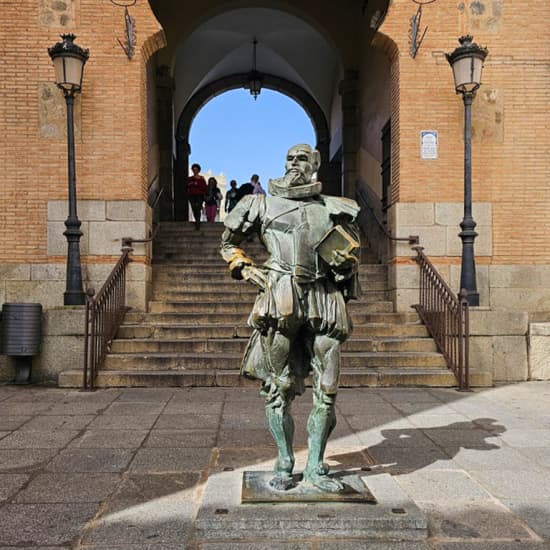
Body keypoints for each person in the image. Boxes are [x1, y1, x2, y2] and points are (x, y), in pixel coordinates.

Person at [220, 144, 360, 493]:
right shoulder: (259, 203)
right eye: (290, 158)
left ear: (315, 165)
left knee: (327, 390)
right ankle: (285, 460)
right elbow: (227, 242)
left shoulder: (332, 208)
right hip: (279, 292)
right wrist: (244, 268)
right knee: (278, 386)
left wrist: (345, 268)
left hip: (323, 296)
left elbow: (347, 262)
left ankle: (316, 466)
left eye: (302, 158)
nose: (294, 163)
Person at [187, 163, 207, 229]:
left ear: (198, 170)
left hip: (199, 195)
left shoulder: (201, 178)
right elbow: (187, 186)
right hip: (191, 195)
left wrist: (196, 184)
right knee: (194, 208)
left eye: (196, 169)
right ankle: (197, 220)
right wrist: (192, 184)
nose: (194, 171)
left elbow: (204, 187)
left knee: (198, 208)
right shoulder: (190, 179)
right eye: (193, 169)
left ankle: (197, 222)